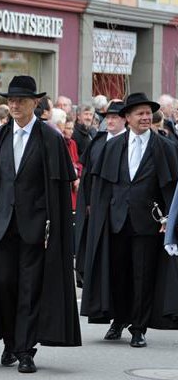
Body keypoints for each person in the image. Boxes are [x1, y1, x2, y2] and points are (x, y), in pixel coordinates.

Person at [0, 76, 81, 373]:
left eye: (21, 101)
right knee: (3, 283)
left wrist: (53, 225)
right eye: (10, 101)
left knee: (30, 287)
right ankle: (10, 341)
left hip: (36, 227)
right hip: (1, 227)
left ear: (34, 104)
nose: (14, 105)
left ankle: (26, 350)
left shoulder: (50, 139)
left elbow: (58, 189)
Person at [81, 93, 178, 346]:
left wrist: (169, 219)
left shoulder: (165, 147)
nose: (146, 117)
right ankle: (119, 319)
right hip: (116, 221)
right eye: (140, 114)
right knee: (117, 274)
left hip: (148, 223)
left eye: (148, 113)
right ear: (127, 118)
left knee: (143, 276)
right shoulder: (111, 146)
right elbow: (101, 188)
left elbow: (171, 188)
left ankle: (139, 327)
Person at [74, 101, 127, 287]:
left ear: (125, 120)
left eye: (115, 117)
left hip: (119, 206)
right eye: (108, 117)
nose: (110, 121)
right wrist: (87, 201)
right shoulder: (98, 141)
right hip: (96, 205)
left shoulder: (129, 141)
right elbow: (87, 173)